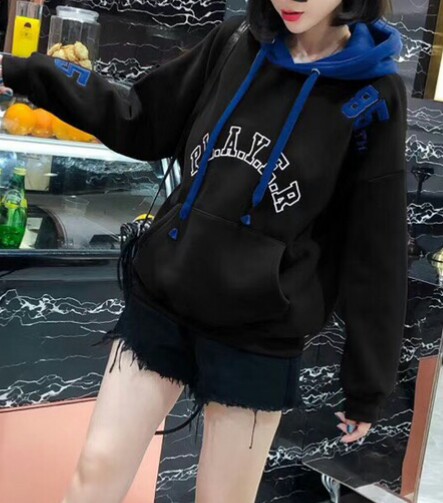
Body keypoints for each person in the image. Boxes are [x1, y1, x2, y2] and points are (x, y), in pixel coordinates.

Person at [0, 0, 408, 501]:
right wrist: (23, 71)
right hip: (165, 295)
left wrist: (368, 384)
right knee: (96, 468)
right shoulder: (236, 41)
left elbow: (375, 242)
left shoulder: (373, 95)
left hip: (259, 330)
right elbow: (140, 117)